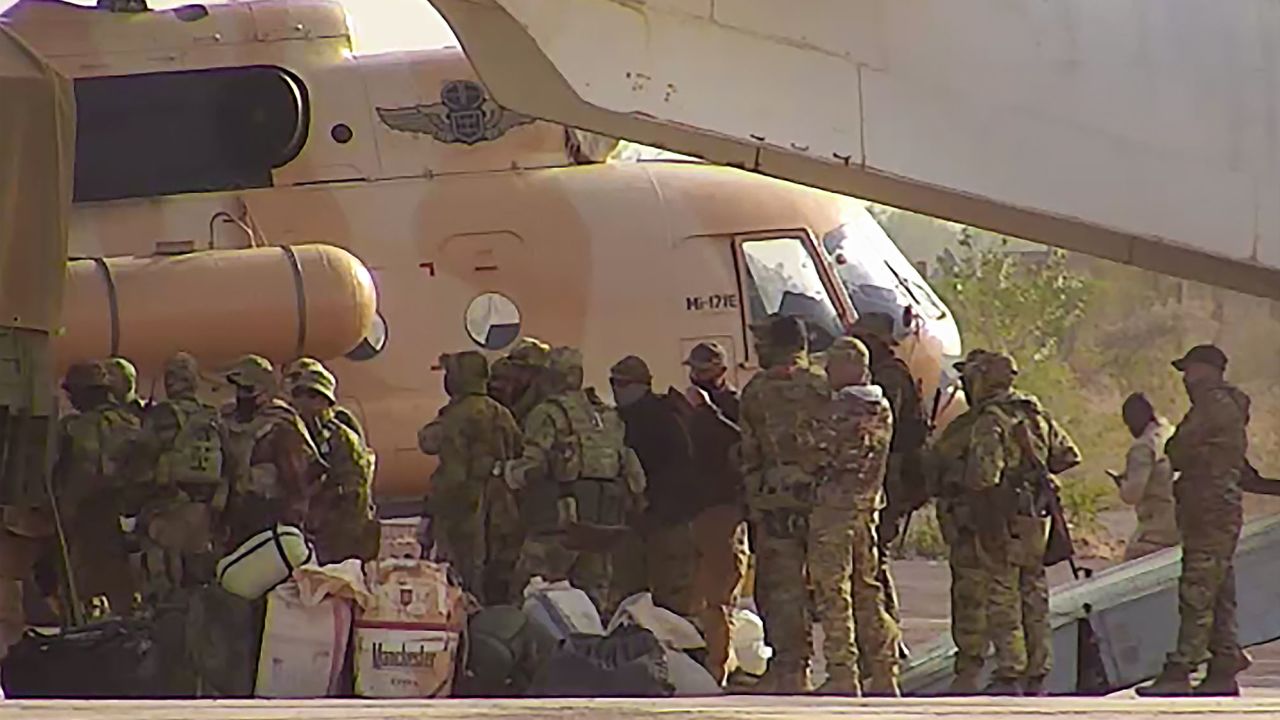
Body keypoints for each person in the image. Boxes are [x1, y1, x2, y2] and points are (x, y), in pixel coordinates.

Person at [961, 350, 1080, 696]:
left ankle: (1010, 671)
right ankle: (1038, 670)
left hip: (1005, 515)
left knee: (1002, 592)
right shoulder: (1035, 414)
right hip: (1036, 517)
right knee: (1034, 592)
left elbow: (983, 477)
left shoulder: (991, 419)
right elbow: (1068, 454)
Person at [1138, 345, 1251, 697]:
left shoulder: (1213, 406)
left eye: (1190, 370)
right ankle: (1223, 662)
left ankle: (1182, 666)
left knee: (1198, 589)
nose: (1187, 379)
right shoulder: (1227, 407)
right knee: (1218, 589)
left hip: (1209, 509)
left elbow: (1177, 449)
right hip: (1215, 509)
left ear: (1208, 369)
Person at [504, 346, 645, 613]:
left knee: (531, 589)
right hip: (603, 521)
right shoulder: (604, 413)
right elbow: (630, 466)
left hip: (561, 523)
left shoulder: (547, 413)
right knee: (594, 594)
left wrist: (506, 473)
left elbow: (534, 465)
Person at [738, 315, 828, 693]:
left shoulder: (759, 390)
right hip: (825, 502)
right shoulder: (826, 385)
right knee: (835, 585)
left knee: (782, 588)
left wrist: (753, 501)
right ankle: (854, 669)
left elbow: (750, 454)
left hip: (777, 504)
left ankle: (791, 671)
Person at [808, 337, 900, 695]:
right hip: (868, 509)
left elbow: (817, 453)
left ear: (849, 367)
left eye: (832, 365)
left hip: (835, 512)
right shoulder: (881, 407)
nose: (827, 372)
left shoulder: (842, 410)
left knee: (833, 591)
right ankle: (883, 671)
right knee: (868, 590)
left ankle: (842, 672)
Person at [850, 311, 929, 662]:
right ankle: (886, 641)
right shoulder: (888, 373)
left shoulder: (888, 378)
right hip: (886, 482)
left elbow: (882, 433)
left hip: (888, 484)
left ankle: (886, 641)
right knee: (872, 562)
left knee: (871, 563)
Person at [419, 351, 521, 602]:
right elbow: (519, 449)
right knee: (496, 575)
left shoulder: (456, 416)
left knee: (461, 580)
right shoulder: (502, 414)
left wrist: (432, 511)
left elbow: (430, 445)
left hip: (462, 510)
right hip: (501, 509)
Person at [132, 352, 228, 597]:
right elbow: (231, 461)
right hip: (204, 512)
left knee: (163, 582)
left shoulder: (161, 415)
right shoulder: (212, 415)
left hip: (167, 508)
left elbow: (141, 457)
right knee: (198, 580)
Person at [609, 355, 698, 616]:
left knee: (672, 601)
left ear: (642, 384)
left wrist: (656, 508)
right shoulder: (619, 419)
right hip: (636, 520)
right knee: (631, 599)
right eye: (613, 382)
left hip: (668, 520)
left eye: (622, 383)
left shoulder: (663, 418)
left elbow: (679, 469)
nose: (616, 389)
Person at [682, 342, 749, 685]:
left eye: (704, 371)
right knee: (695, 594)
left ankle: (719, 668)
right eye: (694, 370)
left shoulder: (733, 406)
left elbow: (742, 444)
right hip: (695, 507)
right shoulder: (688, 407)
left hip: (723, 507)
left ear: (720, 373)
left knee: (719, 596)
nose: (696, 377)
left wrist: (708, 412)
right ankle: (709, 662)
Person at [52, 361, 141, 617]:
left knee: (81, 596)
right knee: (124, 595)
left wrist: (64, 513)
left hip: (86, 520)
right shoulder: (132, 422)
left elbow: (74, 477)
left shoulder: (73, 428)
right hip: (125, 519)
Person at [928, 350, 990, 693]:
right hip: (1004, 526)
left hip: (974, 525)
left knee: (972, 599)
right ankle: (1020, 668)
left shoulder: (967, 428)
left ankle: (973, 672)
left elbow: (935, 473)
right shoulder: (1028, 417)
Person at [220, 355, 324, 547]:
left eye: (248, 389)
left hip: (269, 519)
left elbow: (300, 482)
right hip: (233, 517)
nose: (241, 394)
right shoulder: (227, 419)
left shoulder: (280, 425)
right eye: (239, 388)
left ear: (264, 391)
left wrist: (292, 527)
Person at [292, 362, 379, 565]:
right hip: (322, 532)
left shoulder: (342, 439)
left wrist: (320, 511)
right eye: (299, 396)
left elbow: (354, 492)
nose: (301, 403)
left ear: (324, 401)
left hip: (344, 536)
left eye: (310, 396)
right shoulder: (306, 434)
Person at [1112, 393, 1178, 561]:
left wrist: (1122, 483)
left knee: (1130, 568)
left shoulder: (1143, 447)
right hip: (1186, 518)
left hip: (1159, 527)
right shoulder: (1171, 432)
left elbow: (1132, 494)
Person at [282, 357, 365, 442]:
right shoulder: (287, 427)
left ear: (325, 400)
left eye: (311, 396)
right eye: (296, 395)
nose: (299, 402)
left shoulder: (341, 433)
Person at [104, 356, 147, 421]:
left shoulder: (148, 409)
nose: (106, 379)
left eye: (112, 374)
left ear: (128, 381)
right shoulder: (103, 410)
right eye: (105, 375)